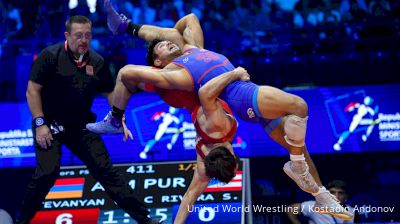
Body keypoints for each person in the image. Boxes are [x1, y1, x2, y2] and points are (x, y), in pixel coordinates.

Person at [90, 1, 353, 220]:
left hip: (228, 95)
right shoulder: (174, 75)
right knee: (298, 107)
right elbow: (130, 74)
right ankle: (299, 170)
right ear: (158, 62)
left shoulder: (190, 50)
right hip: (235, 93)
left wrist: (141, 30)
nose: (169, 42)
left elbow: (188, 20)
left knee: (299, 146)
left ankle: (320, 194)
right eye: (162, 47)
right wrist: (117, 114)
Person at [17, 15, 161, 224]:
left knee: (107, 172)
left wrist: (119, 119)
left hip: (82, 126)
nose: (83, 40)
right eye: (78, 35)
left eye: (87, 35)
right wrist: (40, 124)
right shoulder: (49, 56)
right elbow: (32, 90)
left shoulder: (98, 62)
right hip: (49, 125)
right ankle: (21, 222)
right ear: (67, 35)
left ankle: (145, 220)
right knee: (47, 172)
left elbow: (111, 92)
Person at [286, 180, 361, 224]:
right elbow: (290, 209)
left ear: (346, 197)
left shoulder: (353, 213)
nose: (336, 196)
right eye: (332, 192)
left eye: (340, 193)